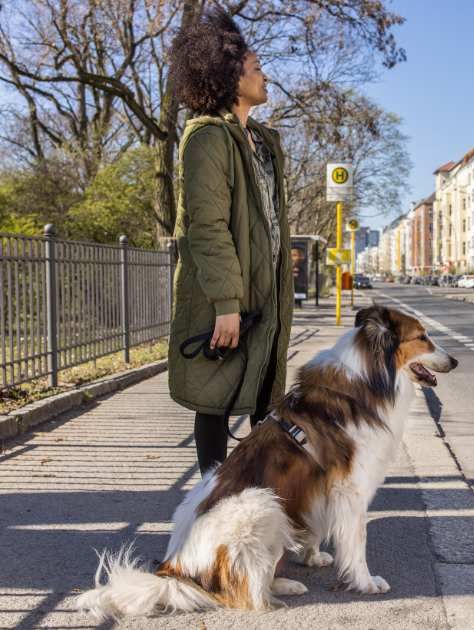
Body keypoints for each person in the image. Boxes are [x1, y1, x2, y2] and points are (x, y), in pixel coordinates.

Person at [165, 7, 293, 474]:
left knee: (263, 395)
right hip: (229, 293)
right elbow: (207, 225)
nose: (265, 77)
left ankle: (257, 506)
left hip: (265, 291)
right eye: (257, 69)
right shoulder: (207, 138)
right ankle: (211, 505)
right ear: (229, 77)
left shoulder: (262, 140)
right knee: (216, 398)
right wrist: (225, 303)